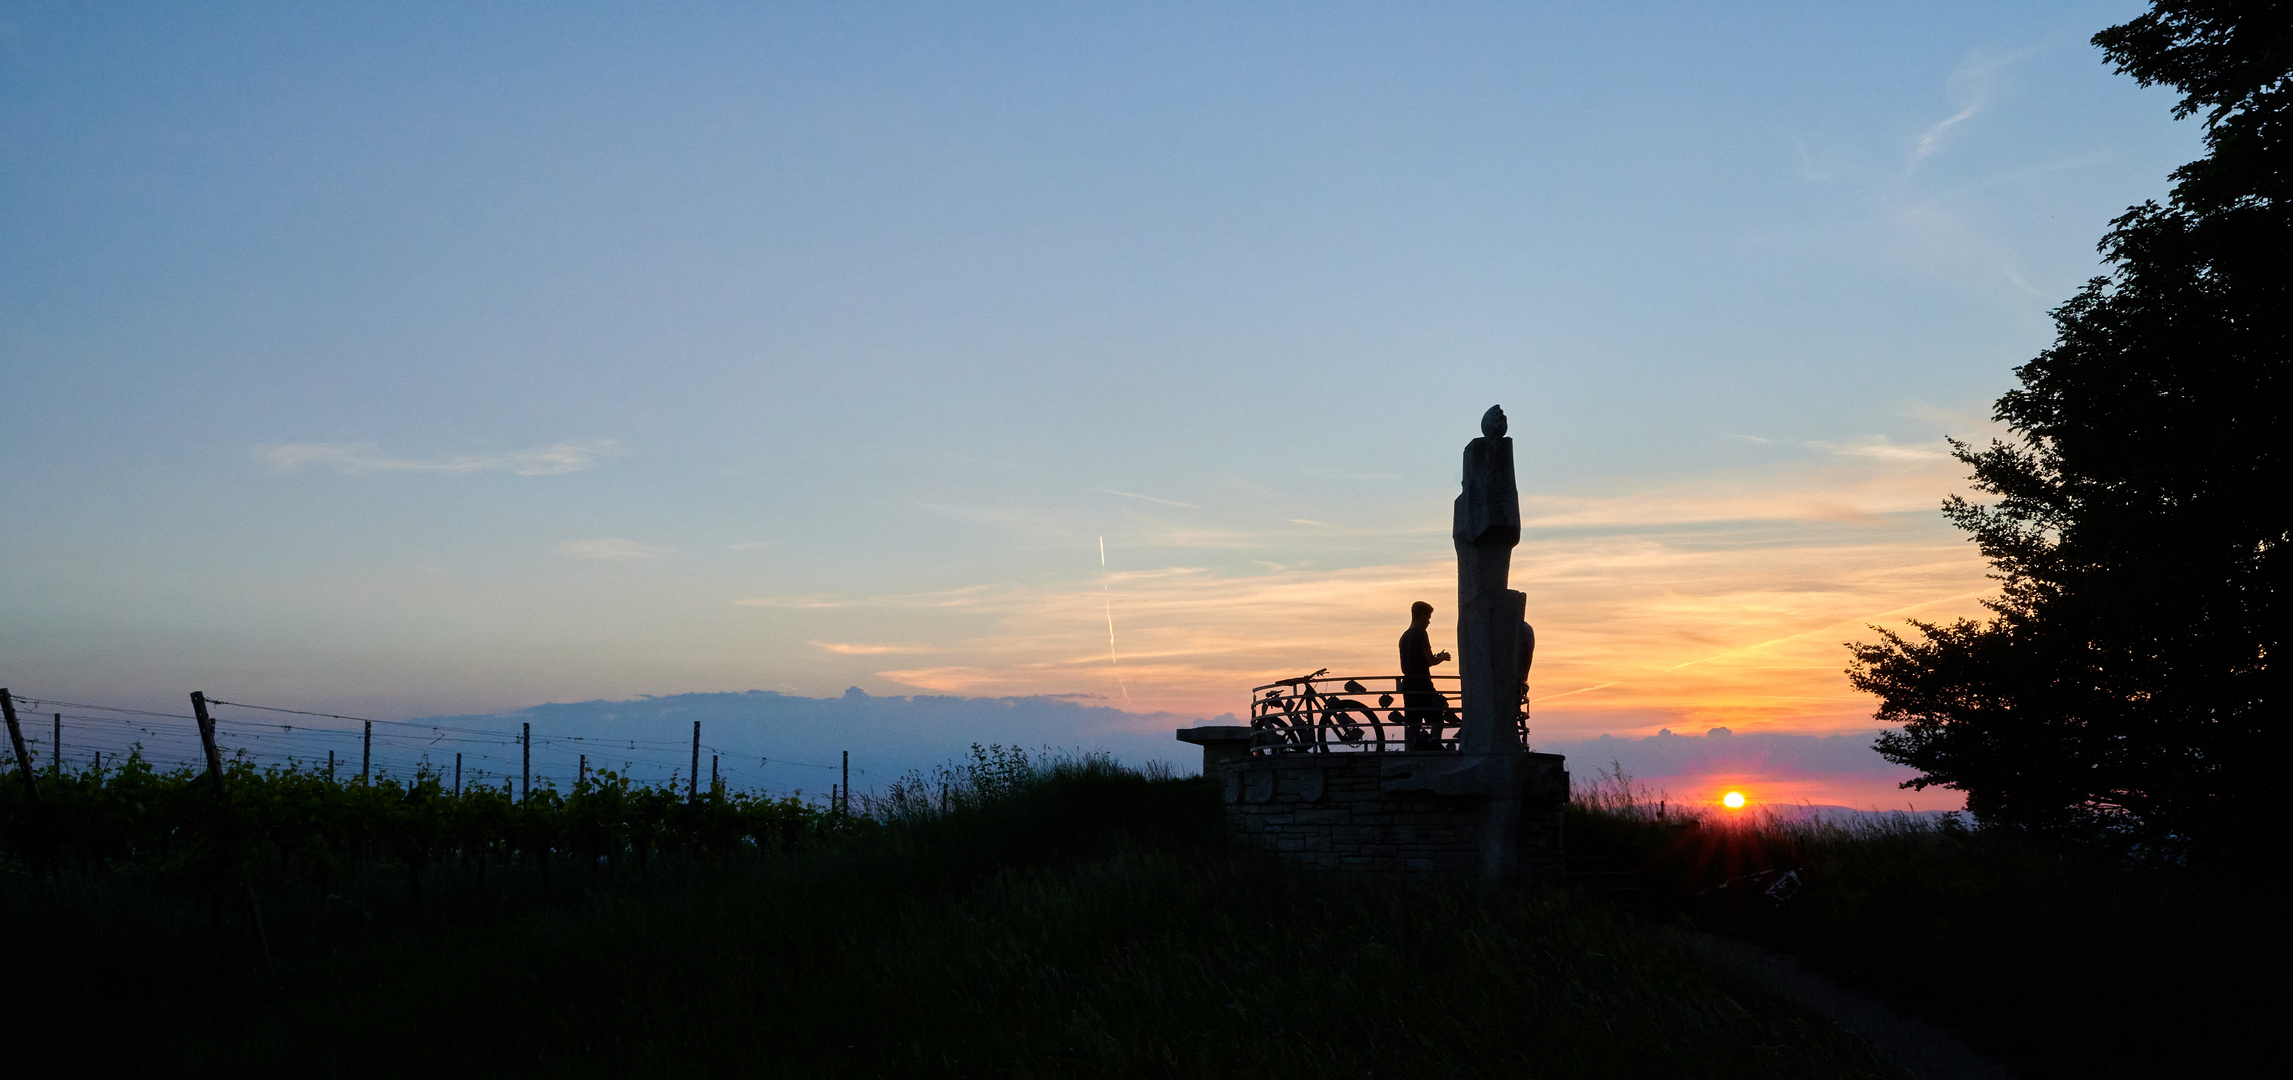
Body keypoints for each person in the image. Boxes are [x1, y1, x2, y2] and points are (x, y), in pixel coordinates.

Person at [1399, 601, 1453, 750]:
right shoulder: (1421, 633)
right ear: (1421, 616)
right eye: (1428, 617)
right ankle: (1432, 748)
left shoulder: (1404, 637)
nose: (1429, 621)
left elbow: (1406, 666)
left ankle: (1413, 752)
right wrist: (1442, 657)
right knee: (1437, 720)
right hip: (1423, 684)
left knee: (1413, 724)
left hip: (1408, 685)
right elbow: (1429, 660)